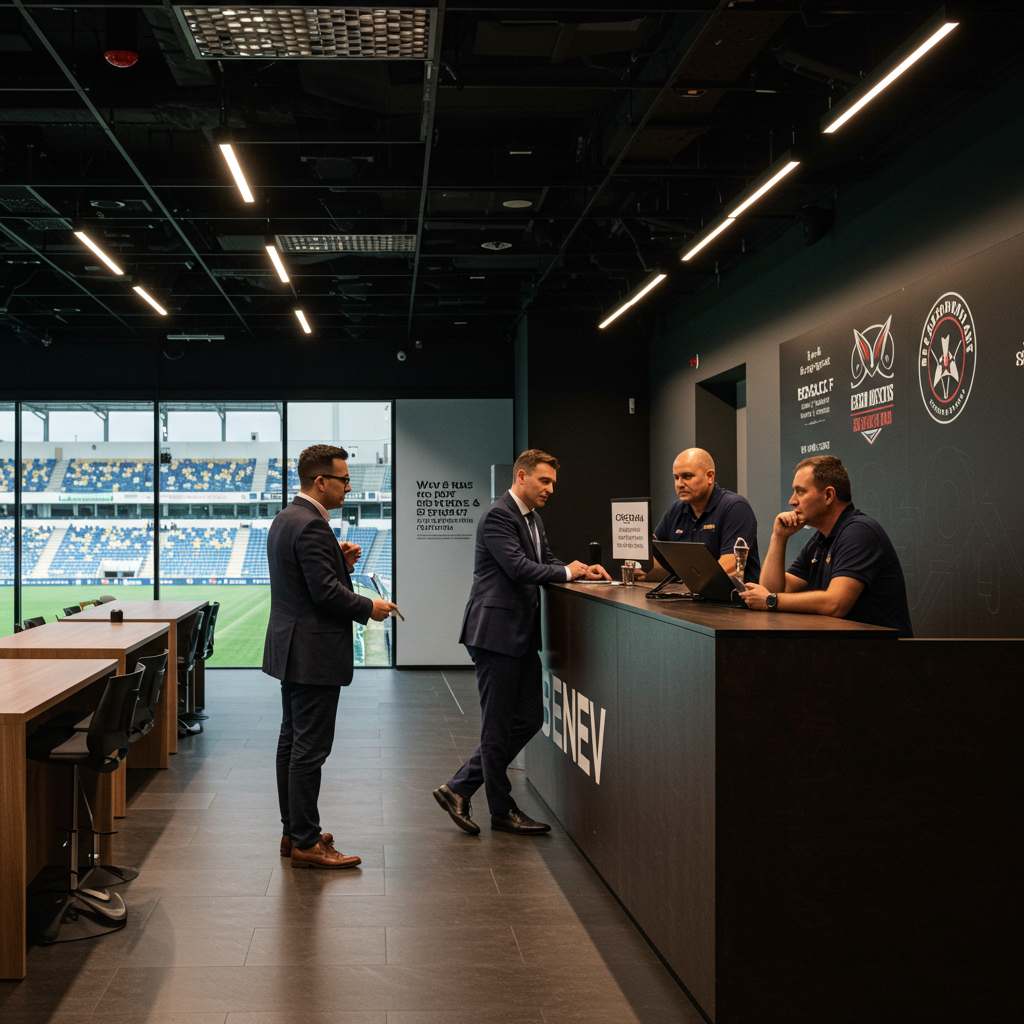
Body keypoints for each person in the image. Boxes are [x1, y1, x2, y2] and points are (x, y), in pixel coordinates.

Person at [433, 449, 610, 836]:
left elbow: (544, 560)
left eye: (552, 484)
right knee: (497, 728)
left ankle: (459, 788)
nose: (550, 489)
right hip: (494, 634)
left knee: (530, 717)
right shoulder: (499, 515)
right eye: (544, 481)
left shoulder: (533, 519)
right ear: (521, 477)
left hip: (518, 636)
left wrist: (577, 571)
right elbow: (518, 568)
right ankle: (500, 809)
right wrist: (566, 571)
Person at [263, 443, 396, 868]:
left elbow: (306, 580)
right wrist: (368, 608)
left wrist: (340, 562)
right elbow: (323, 593)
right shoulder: (314, 525)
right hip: (312, 650)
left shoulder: (287, 518)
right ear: (320, 482)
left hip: (291, 646)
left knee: (292, 742)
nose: (348, 488)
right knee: (310, 749)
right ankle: (305, 841)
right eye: (343, 480)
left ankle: (293, 830)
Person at [737, 455, 913, 636]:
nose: (792, 501)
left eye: (800, 491)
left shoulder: (860, 532)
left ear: (828, 495)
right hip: (843, 650)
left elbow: (836, 604)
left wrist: (771, 601)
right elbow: (772, 590)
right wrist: (779, 537)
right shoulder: (820, 539)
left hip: (884, 655)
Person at [648, 447, 761, 582]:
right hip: (688, 598)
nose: (680, 484)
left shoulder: (735, 507)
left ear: (710, 476)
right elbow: (657, 559)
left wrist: (686, 578)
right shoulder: (676, 510)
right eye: (676, 478)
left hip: (732, 600)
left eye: (687, 477)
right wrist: (639, 569)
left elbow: (730, 564)